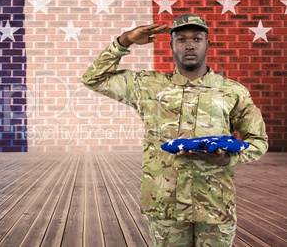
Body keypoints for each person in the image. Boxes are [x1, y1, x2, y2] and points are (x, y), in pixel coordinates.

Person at [81, 13, 268, 247]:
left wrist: (226, 159)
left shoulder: (233, 91)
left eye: (197, 38)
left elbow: (258, 141)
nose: (189, 44)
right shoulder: (147, 86)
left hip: (214, 205)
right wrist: (125, 40)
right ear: (171, 45)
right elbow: (93, 79)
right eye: (181, 39)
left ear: (207, 44)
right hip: (165, 206)